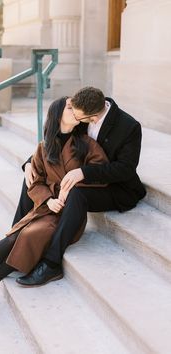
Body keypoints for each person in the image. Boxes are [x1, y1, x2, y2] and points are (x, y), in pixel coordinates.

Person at [0, 96, 108, 310]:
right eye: (70, 107)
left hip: (68, 215)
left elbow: (100, 173)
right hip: (45, 209)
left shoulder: (86, 144)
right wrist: (48, 200)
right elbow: (35, 183)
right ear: (58, 114)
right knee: (14, 236)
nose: (75, 111)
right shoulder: (43, 148)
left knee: (29, 235)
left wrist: (74, 186)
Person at [11, 86, 146, 287]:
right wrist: (29, 162)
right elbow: (58, 139)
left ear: (92, 118)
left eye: (77, 115)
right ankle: (14, 240)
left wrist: (83, 172)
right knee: (31, 178)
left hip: (117, 188)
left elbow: (125, 169)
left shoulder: (129, 127)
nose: (72, 116)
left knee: (77, 193)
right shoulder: (84, 106)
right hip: (82, 179)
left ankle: (51, 263)